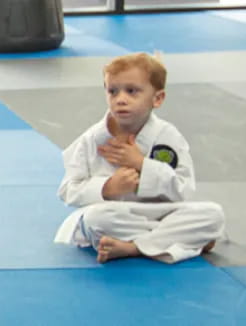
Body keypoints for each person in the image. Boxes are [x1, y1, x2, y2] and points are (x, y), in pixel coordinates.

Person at [54, 52, 224, 264]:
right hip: (117, 215)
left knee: (213, 215)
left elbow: (184, 190)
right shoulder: (92, 140)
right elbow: (68, 190)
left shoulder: (168, 136)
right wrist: (107, 188)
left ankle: (134, 247)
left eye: (132, 91)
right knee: (93, 220)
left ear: (158, 98)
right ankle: (184, 241)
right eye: (112, 91)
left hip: (163, 211)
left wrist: (142, 164)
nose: (121, 99)